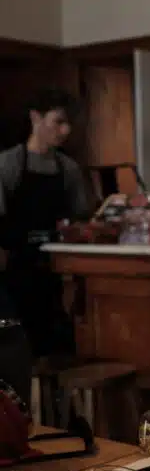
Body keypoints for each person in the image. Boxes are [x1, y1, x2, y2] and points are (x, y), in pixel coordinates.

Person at [0, 89, 91, 360]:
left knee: (57, 347)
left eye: (69, 123)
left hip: (56, 269)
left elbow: (80, 218)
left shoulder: (69, 169)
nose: (66, 130)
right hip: (15, 269)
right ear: (35, 118)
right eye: (58, 122)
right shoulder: (8, 164)